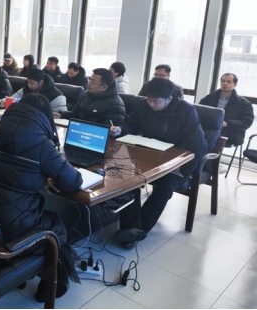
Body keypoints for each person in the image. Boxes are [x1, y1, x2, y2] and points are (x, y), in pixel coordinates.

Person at [0, 93, 83, 301]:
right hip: (18, 221)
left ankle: (21, 270)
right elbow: (73, 182)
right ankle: (53, 284)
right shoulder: (42, 143)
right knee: (56, 225)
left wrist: (38, 174)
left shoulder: (1, 129)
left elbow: (16, 167)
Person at [110, 78, 207, 248]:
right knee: (128, 181)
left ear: (169, 98)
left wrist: (184, 168)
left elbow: (199, 144)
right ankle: (132, 228)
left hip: (175, 162)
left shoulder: (186, 110)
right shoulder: (143, 105)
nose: (151, 103)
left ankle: (137, 230)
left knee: (164, 187)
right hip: (147, 156)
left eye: (156, 100)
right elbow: (131, 123)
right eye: (148, 98)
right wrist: (120, 129)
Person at [199, 73, 254, 148]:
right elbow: (198, 112)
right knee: (193, 131)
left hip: (231, 131)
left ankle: (207, 153)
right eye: (223, 81)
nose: (225, 83)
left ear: (235, 84)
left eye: (228, 82)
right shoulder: (209, 98)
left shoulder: (244, 103)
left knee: (210, 136)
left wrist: (227, 123)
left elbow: (247, 122)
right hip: (209, 127)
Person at [55, 68, 126, 126]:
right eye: (89, 79)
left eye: (93, 81)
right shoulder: (85, 95)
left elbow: (108, 129)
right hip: (81, 131)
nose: (88, 83)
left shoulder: (115, 104)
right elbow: (75, 114)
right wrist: (61, 114)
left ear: (104, 87)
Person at [0, 68, 67, 112]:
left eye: (32, 83)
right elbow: (13, 98)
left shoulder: (57, 97)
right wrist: (4, 101)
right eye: (28, 82)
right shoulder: (27, 88)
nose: (29, 85)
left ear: (41, 82)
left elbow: (60, 116)